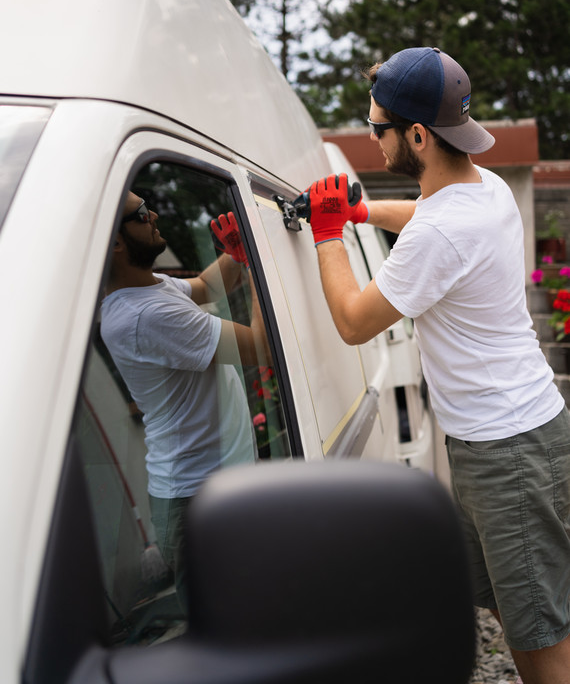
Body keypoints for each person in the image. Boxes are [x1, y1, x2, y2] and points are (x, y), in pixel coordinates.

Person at [298, 47, 570, 684]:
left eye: (378, 128)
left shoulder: (442, 234)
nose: (372, 141)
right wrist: (362, 212)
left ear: (417, 134)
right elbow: (424, 215)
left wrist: (327, 233)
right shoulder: (486, 189)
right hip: (509, 439)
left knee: (542, 637)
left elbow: (353, 320)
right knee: (519, 612)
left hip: (509, 449)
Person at [100, 191, 267, 610]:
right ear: (118, 242)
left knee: (241, 620)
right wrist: (262, 263)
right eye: (141, 213)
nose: (153, 213)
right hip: (197, 499)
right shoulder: (145, 316)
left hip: (212, 486)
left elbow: (208, 286)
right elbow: (261, 347)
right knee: (223, 636)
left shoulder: (149, 292)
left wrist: (238, 252)